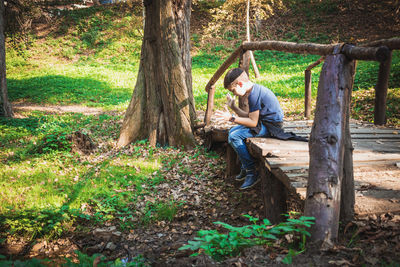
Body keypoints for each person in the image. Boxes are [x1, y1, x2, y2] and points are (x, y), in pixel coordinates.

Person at [215, 68, 306, 190]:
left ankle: (251, 171)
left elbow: (252, 122)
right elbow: (251, 117)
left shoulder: (253, 95)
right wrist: (234, 108)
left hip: (272, 128)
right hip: (263, 123)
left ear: (240, 84)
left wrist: (231, 118)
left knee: (234, 136)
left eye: (233, 90)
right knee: (232, 131)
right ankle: (244, 166)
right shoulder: (253, 90)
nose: (234, 94)